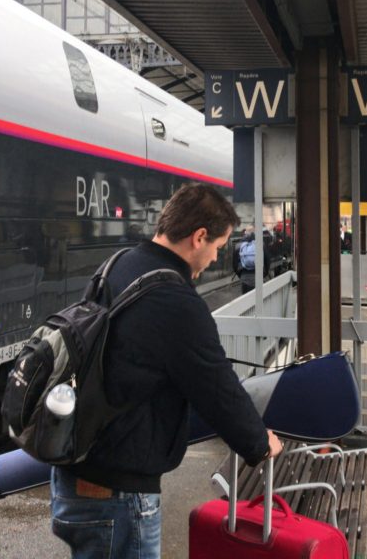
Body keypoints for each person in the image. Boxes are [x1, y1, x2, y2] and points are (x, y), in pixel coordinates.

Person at [51, 183, 282, 558]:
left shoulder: (119, 264)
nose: (215, 258)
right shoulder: (176, 300)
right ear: (199, 237)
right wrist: (259, 444)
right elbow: (216, 387)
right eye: (218, 246)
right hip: (118, 493)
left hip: (74, 475)